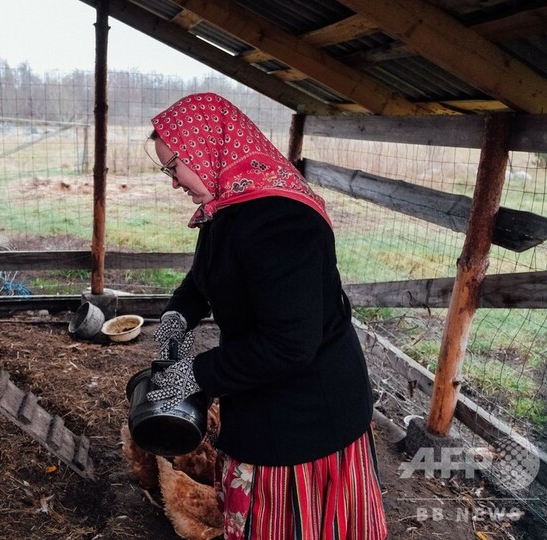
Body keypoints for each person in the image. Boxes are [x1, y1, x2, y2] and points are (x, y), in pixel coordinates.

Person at [144, 92, 388, 539]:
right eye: (166, 169)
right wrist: (177, 315)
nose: (172, 181)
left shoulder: (282, 222)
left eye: (173, 165)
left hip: (308, 417)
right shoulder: (226, 206)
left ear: (206, 148)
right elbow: (202, 280)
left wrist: (195, 374)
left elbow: (289, 345)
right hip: (264, 394)